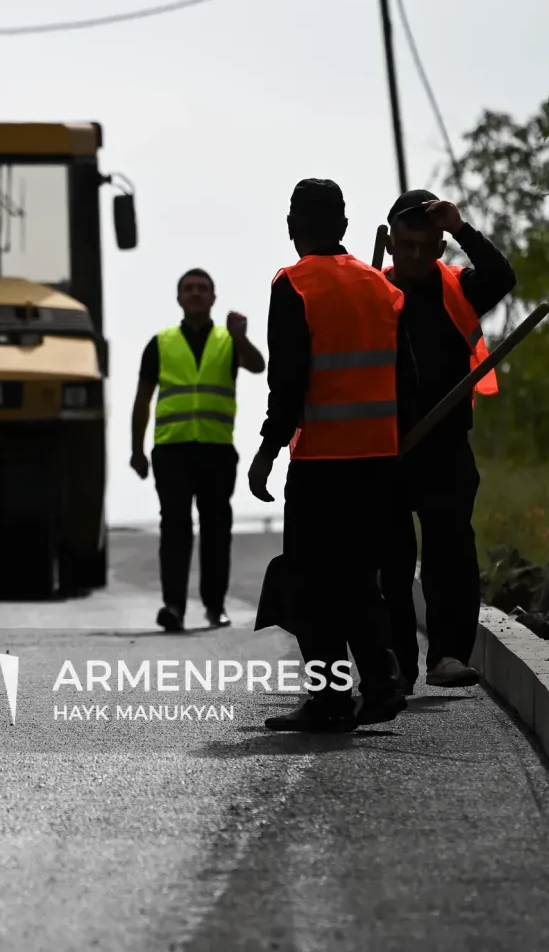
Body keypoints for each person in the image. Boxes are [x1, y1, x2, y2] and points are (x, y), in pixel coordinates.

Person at [248, 178, 407, 733]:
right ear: (342, 226)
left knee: (311, 584)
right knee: (359, 577)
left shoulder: (294, 284)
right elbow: (404, 375)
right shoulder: (380, 286)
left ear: (293, 226)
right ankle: (381, 683)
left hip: (321, 462)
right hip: (378, 459)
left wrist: (267, 450)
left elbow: (288, 383)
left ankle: (331, 699)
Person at [377, 189, 517, 693]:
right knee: (390, 562)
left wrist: (460, 227)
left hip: (445, 445)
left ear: (440, 247)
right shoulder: (369, 291)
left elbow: (502, 276)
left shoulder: (460, 287)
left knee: (451, 553)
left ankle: (448, 655)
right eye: (407, 245)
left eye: (427, 246)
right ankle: (396, 665)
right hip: (385, 449)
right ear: (390, 244)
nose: (416, 256)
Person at [131, 268, 266, 631]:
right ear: (178, 298)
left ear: (213, 298)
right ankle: (173, 606)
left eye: (202, 289)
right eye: (188, 288)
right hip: (171, 450)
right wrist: (136, 450)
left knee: (216, 530)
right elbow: (142, 400)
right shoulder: (160, 343)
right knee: (175, 528)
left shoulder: (228, 340)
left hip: (216, 449)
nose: (195, 293)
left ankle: (215, 606)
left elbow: (258, 366)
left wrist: (241, 337)